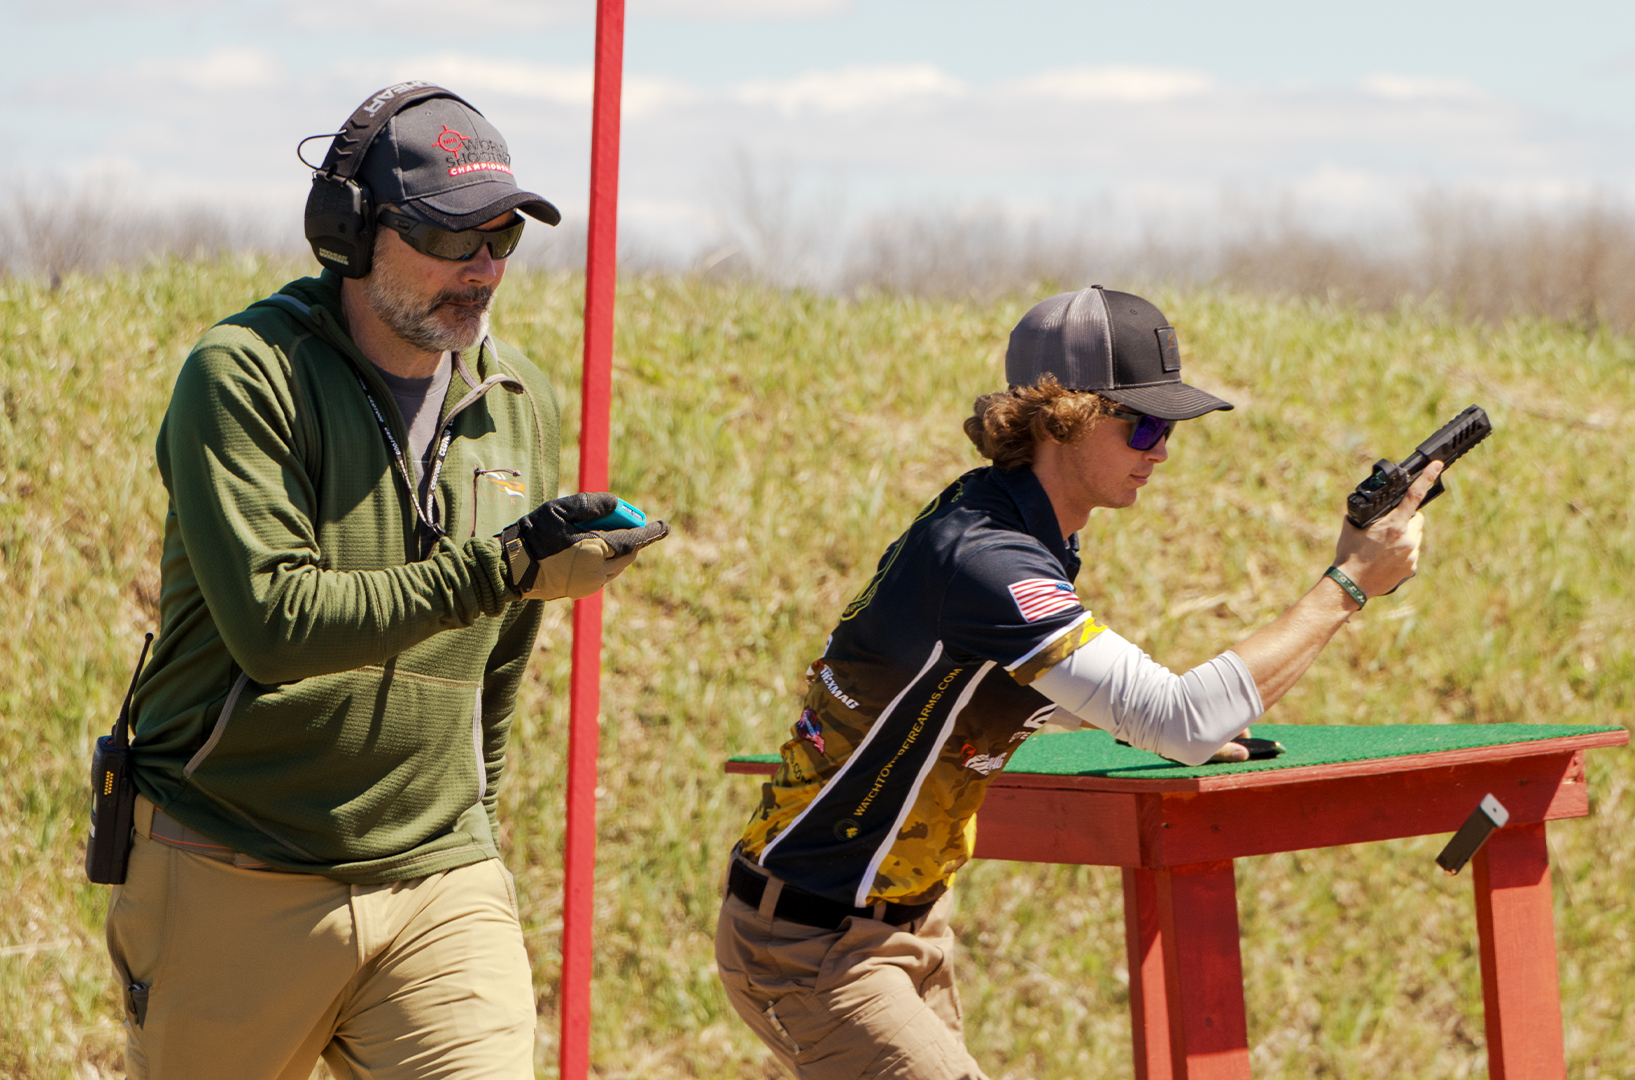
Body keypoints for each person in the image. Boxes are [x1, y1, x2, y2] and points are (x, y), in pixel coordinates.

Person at [714, 284, 1442, 1080]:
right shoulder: (991, 560)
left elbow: (990, 693)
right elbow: (1181, 719)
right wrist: (1349, 583)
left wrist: (1142, 720)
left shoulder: (1004, 524)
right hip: (816, 948)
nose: (1162, 449)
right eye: (1146, 424)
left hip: (898, 930)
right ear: (1063, 414)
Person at [105, 83, 663, 1079]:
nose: (486, 268)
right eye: (456, 238)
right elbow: (275, 625)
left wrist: (481, 831)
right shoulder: (245, 375)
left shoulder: (515, 399)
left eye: (504, 237)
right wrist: (499, 570)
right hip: (232, 863)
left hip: (438, 878)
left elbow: (502, 649)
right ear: (354, 232)